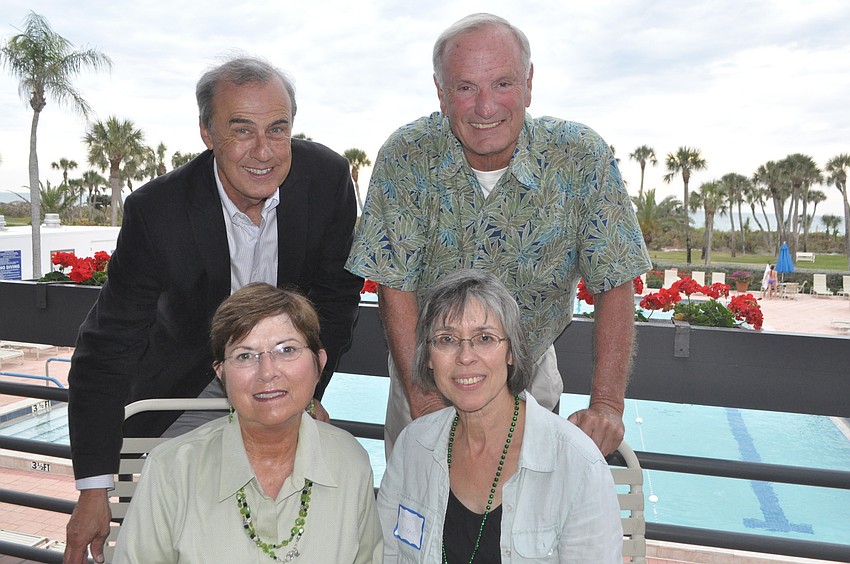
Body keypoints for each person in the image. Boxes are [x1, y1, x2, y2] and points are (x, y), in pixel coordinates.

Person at [65, 56, 363, 563]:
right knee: (159, 525)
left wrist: (312, 383)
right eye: (240, 130)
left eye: (278, 129)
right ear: (206, 131)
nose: (264, 151)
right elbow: (108, 345)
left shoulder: (328, 179)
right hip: (185, 381)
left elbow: (334, 298)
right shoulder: (157, 211)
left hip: (283, 372)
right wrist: (93, 486)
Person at [346, 13, 652, 456]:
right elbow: (396, 284)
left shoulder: (580, 157)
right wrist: (425, 399)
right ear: (441, 93)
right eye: (465, 87)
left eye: (503, 84)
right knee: (420, 517)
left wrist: (606, 405)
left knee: (530, 518)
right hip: (427, 373)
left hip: (531, 379)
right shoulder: (407, 155)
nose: (485, 107)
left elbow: (616, 280)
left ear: (529, 84)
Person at [113, 283, 382, 562]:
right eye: (245, 355)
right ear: (221, 373)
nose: (267, 372)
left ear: (319, 362)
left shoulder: (351, 462)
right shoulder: (171, 468)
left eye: (287, 350)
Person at [378, 269, 623, 562]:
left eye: (484, 338)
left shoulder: (577, 465)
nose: (465, 356)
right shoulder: (413, 447)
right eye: (447, 339)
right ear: (428, 358)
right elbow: (387, 554)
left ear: (511, 351)